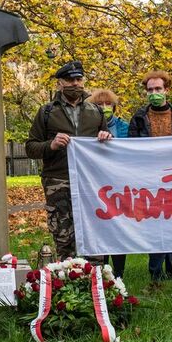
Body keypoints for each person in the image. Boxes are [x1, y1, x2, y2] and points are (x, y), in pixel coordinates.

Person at [25, 60, 112, 260]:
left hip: (89, 181)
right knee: (63, 235)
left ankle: (95, 281)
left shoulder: (95, 111)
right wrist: (51, 145)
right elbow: (31, 147)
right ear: (60, 84)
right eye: (69, 79)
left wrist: (106, 138)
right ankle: (67, 278)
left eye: (78, 79)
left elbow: (108, 144)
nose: (74, 83)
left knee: (93, 231)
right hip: (58, 181)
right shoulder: (46, 112)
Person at [128, 70, 172, 282]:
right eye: (150, 90)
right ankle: (155, 270)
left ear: (167, 90)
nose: (154, 93)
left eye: (158, 89)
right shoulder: (138, 118)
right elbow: (131, 149)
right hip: (149, 178)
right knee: (155, 223)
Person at [86, 88, 129, 277]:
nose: (104, 107)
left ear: (114, 106)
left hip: (120, 184)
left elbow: (130, 149)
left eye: (108, 104)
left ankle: (118, 274)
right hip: (96, 185)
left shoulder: (124, 126)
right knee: (100, 226)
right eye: (99, 105)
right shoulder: (87, 128)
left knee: (119, 227)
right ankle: (101, 271)